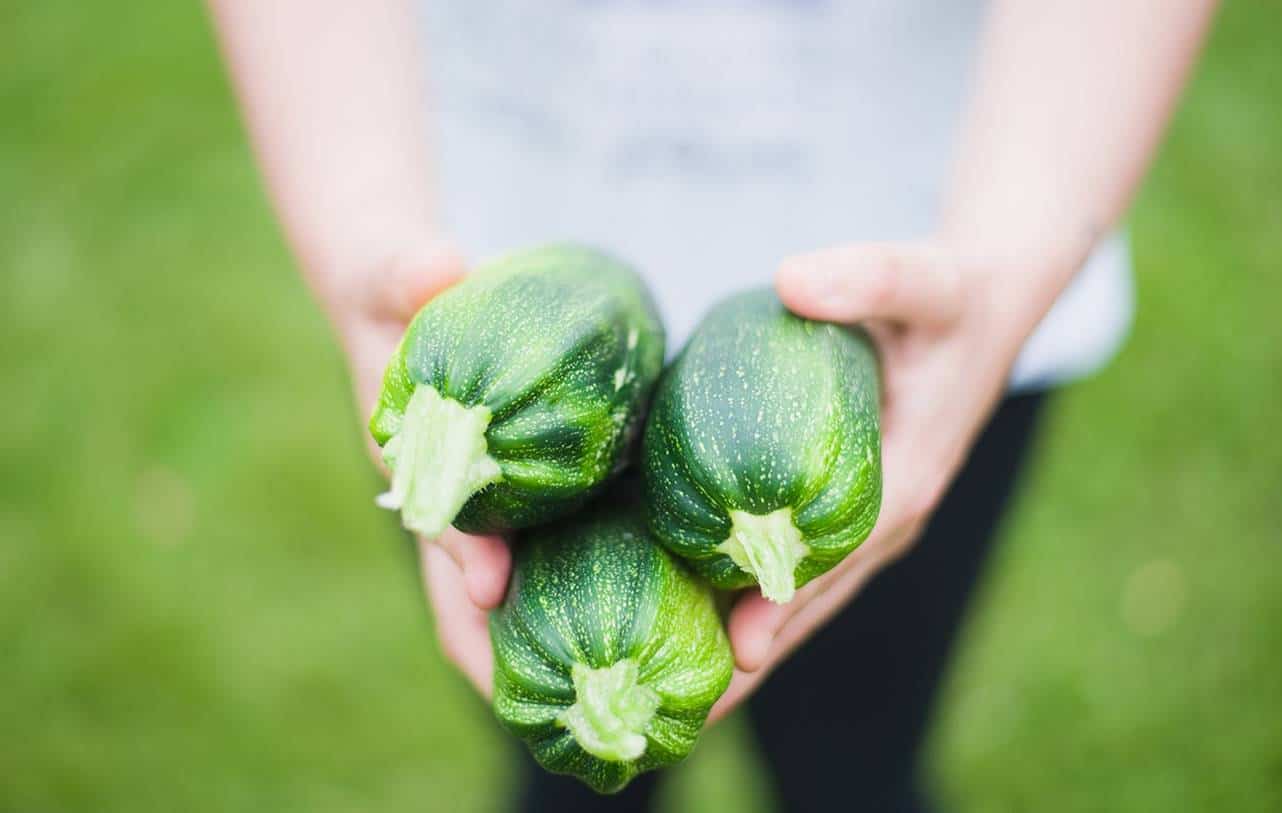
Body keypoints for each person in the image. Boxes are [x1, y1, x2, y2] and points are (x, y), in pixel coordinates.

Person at [208, 1, 1216, 809]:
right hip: (490, 275)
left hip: (948, 270)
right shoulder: (460, 385)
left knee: (855, 760)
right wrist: (358, 233)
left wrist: (1008, 271)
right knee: (569, 775)